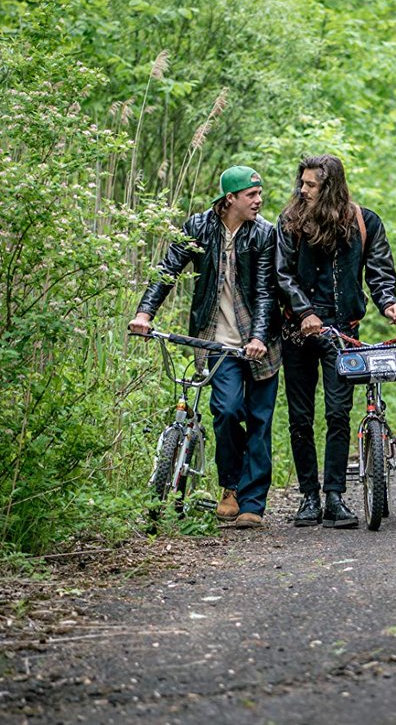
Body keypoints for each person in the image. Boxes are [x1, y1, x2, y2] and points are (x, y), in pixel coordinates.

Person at [129, 165, 281, 529]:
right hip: (216, 340)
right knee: (226, 411)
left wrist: (259, 337)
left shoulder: (264, 233)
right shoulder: (198, 228)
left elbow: (265, 291)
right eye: (251, 195)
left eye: (259, 194)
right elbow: (168, 271)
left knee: (259, 421)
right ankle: (231, 486)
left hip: (260, 342)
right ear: (230, 198)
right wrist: (144, 313)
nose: (258, 201)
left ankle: (253, 504)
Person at [276, 154, 396, 529]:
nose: (303, 190)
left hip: (343, 331)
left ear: (330, 187)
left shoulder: (365, 222)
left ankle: (334, 496)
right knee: (300, 418)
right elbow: (282, 275)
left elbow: (379, 270)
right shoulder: (289, 221)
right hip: (298, 331)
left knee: (338, 413)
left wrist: (388, 302)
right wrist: (304, 312)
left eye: (311, 185)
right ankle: (308, 498)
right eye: (301, 183)